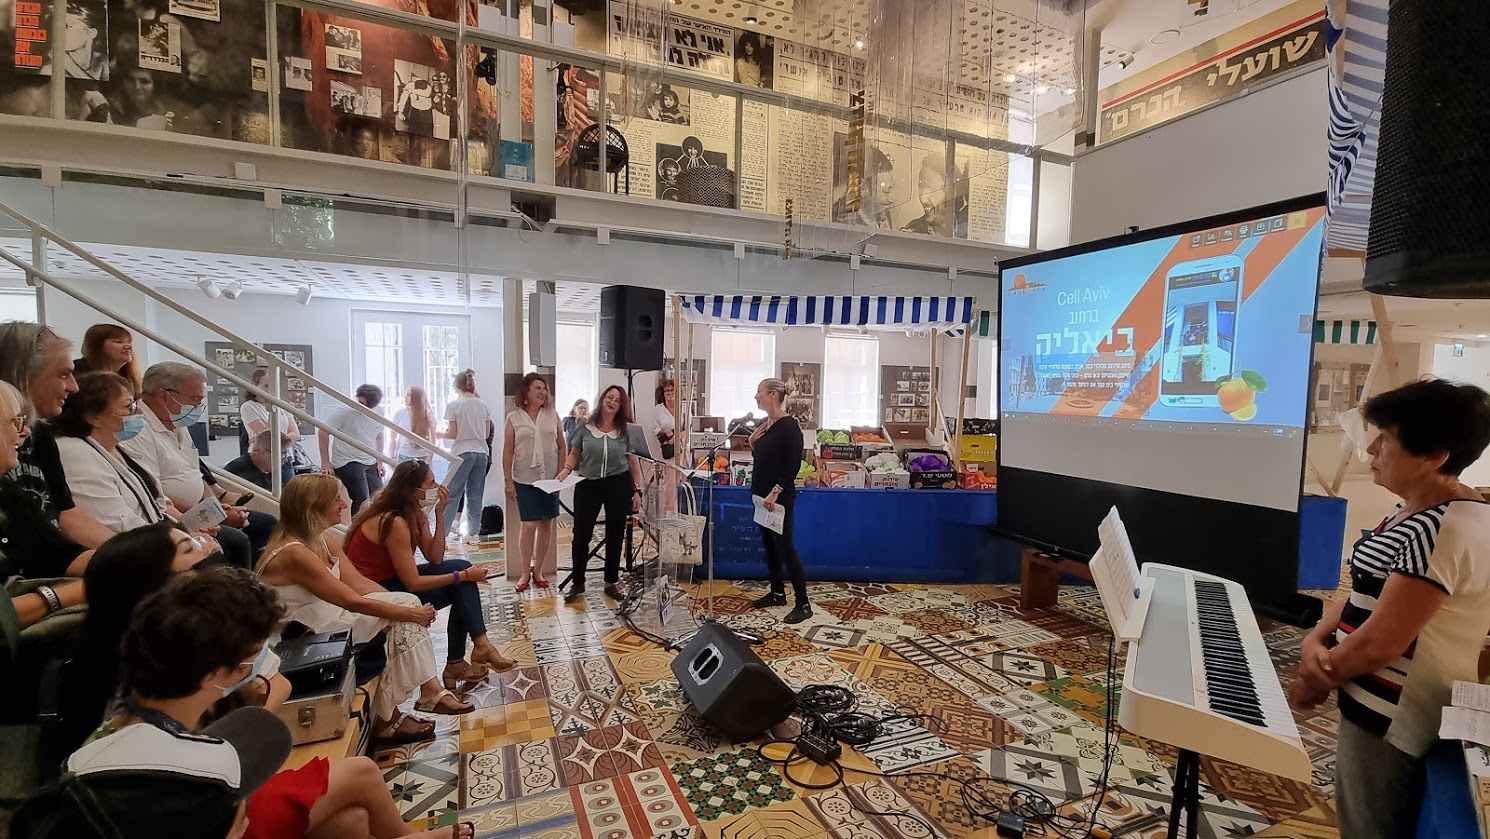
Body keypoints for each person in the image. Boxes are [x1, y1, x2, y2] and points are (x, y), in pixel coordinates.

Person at [17, 565, 475, 839]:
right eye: (252, 658)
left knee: (352, 821)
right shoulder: (204, 770)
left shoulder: (113, 725)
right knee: (357, 783)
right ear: (218, 673)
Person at [1288, 379, 1490, 839]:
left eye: (1387, 438)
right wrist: (1318, 637)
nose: (1373, 449)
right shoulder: (1420, 510)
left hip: (1394, 714)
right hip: (1377, 701)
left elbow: (1380, 644)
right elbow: (1365, 589)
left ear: (1433, 456)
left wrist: (1316, 677)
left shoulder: (1440, 528)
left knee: (1370, 824)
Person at [258, 474, 473, 745]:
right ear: (315, 506)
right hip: (305, 634)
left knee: (405, 605)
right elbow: (351, 601)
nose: (343, 504)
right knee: (404, 611)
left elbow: (359, 584)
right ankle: (403, 708)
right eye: (335, 499)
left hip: (328, 618)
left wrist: (401, 604)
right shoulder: (294, 552)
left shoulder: (323, 539)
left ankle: (414, 700)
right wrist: (408, 613)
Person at [346, 460, 515, 689]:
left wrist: (439, 514)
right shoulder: (394, 521)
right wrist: (462, 576)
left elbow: (435, 557)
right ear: (413, 489)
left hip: (393, 579)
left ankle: (473, 651)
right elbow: (413, 583)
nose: (437, 487)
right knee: (461, 580)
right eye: (431, 483)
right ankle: (465, 656)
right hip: (377, 589)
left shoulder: (413, 512)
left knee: (462, 573)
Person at [122, 362, 270, 568]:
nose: (199, 407)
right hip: (169, 517)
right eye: (194, 399)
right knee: (235, 541)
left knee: (266, 523)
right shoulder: (138, 431)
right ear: (164, 396)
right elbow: (153, 493)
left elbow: (194, 473)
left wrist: (216, 508)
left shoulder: (176, 422)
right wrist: (211, 515)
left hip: (197, 509)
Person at [0, 322, 117, 556]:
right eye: (63, 375)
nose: (74, 387)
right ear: (23, 375)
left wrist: (135, 555)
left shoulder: (41, 434)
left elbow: (67, 513)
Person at [0, 380, 87, 642]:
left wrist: (143, 560)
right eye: (16, 422)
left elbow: (58, 554)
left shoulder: (6, 490)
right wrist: (71, 593)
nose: (25, 432)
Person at [53, 372, 178, 534]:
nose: (140, 412)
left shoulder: (117, 446)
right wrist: (176, 539)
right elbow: (117, 523)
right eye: (128, 407)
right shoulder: (75, 454)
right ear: (94, 417)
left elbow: (152, 503)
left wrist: (184, 530)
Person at [556, 386, 641, 603]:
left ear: (621, 406)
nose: (612, 402)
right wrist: (566, 470)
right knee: (581, 534)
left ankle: (611, 582)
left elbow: (633, 461)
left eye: (617, 400)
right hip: (588, 484)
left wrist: (637, 491)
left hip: (618, 484)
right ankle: (578, 582)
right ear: (602, 399)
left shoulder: (625, 429)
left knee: (615, 534)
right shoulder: (585, 424)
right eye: (609, 397)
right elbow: (575, 452)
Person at [746, 378, 812, 624]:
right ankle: (777, 593)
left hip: (778, 498)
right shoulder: (766, 425)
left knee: (785, 548)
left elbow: (792, 464)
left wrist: (775, 492)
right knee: (770, 547)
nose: (756, 396)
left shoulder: (789, 426)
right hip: (761, 497)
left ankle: (803, 603)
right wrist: (753, 444)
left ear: (773, 394)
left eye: (759, 392)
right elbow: (765, 458)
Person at [502, 374, 564, 591]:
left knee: (546, 524)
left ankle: (538, 570)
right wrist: (508, 481)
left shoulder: (552, 415)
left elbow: (562, 446)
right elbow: (507, 451)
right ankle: (524, 572)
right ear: (526, 391)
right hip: (524, 479)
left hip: (550, 479)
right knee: (528, 525)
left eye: (544, 389)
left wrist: (561, 474)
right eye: (538, 388)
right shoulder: (514, 418)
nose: (542, 392)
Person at [319, 384, 387, 514]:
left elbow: (379, 436)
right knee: (362, 499)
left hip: (369, 459)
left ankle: (374, 524)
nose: (362, 407)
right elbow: (323, 431)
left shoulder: (379, 412)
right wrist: (325, 462)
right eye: (360, 403)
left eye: (366, 406)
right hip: (347, 460)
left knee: (379, 498)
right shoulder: (344, 411)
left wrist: (380, 461)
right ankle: (357, 526)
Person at [440, 370, 492, 541]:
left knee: (452, 494)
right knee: (475, 495)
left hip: (461, 453)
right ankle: (473, 533)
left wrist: (438, 434)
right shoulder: (483, 405)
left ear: (456, 387)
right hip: (481, 452)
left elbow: (453, 434)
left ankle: (443, 534)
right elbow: (486, 434)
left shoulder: (454, 406)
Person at [239, 367, 301, 458]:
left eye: (273, 386)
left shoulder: (282, 405)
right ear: (255, 386)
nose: (271, 389)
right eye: (266, 386)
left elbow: (296, 434)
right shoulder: (248, 407)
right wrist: (271, 406)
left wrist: (278, 441)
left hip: (286, 456)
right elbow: (266, 436)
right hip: (264, 456)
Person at [74, 323, 142, 393]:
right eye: (118, 341)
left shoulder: (130, 377)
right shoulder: (78, 372)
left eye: (129, 341)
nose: (129, 346)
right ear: (97, 346)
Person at [225, 431, 296, 492]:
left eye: (286, 454)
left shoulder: (283, 470)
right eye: (281, 454)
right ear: (262, 452)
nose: (285, 459)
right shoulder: (235, 471)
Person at [391, 386, 438, 464]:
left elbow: (433, 440)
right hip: (403, 455)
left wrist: (429, 459)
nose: (405, 397)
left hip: (422, 456)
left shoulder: (428, 416)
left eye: (409, 395)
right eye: (406, 394)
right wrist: (392, 456)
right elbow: (393, 437)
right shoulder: (400, 413)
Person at [653, 377, 678, 461]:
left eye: (672, 390)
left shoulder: (684, 407)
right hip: (668, 449)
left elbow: (690, 427)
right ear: (663, 393)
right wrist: (665, 430)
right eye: (667, 390)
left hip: (683, 449)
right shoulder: (658, 409)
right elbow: (655, 429)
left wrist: (678, 436)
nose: (670, 392)